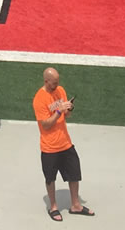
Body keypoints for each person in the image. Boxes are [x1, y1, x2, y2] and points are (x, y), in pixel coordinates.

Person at [34, 67, 92, 220]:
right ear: (46, 81)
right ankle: (53, 206)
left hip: (65, 142)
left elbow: (67, 115)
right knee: (50, 178)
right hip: (49, 147)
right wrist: (58, 111)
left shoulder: (60, 90)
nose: (56, 85)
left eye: (57, 82)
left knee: (74, 174)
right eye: (53, 83)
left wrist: (69, 108)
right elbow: (45, 124)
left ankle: (75, 205)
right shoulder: (39, 99)